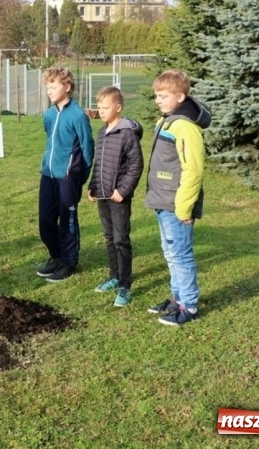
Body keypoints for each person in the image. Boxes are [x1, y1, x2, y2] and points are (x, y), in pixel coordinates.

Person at [144, 70, 210, 326]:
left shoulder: (186, 127)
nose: (158, 100)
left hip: (176, 205)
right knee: (170, 253)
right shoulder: (167, 120)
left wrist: (184, 208)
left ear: (180, 96)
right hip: (162, 199)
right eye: (156, 95)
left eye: (163, 96)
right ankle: (177, 299)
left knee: (180, 255)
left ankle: (190, 306)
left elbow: (193, 170)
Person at [87, 86, 144, 307]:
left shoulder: (127, 134)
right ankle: (114, 276)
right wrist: (92, 185)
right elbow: (99, 163)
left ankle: (125, 285)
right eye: (99, 107)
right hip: (102, 195)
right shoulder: (102, 132)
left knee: (121, 240)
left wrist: (123, 190)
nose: (101, 111)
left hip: (119, 197)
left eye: (105, 107)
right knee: (109, 237)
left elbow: (135, 166)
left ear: (118, 108)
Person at [36, 66, 94, 283]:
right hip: (48, 174)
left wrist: (81, 176)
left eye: (54, 86)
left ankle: (69, 262)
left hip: (69, 178)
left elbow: (88, 148)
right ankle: (57, 256)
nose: (49, 91)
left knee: (67, 220)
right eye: (48, 87)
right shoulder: (49, 114)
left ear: (67, 87)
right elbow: (51, 139)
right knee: (45, 221)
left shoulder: (78, 115)